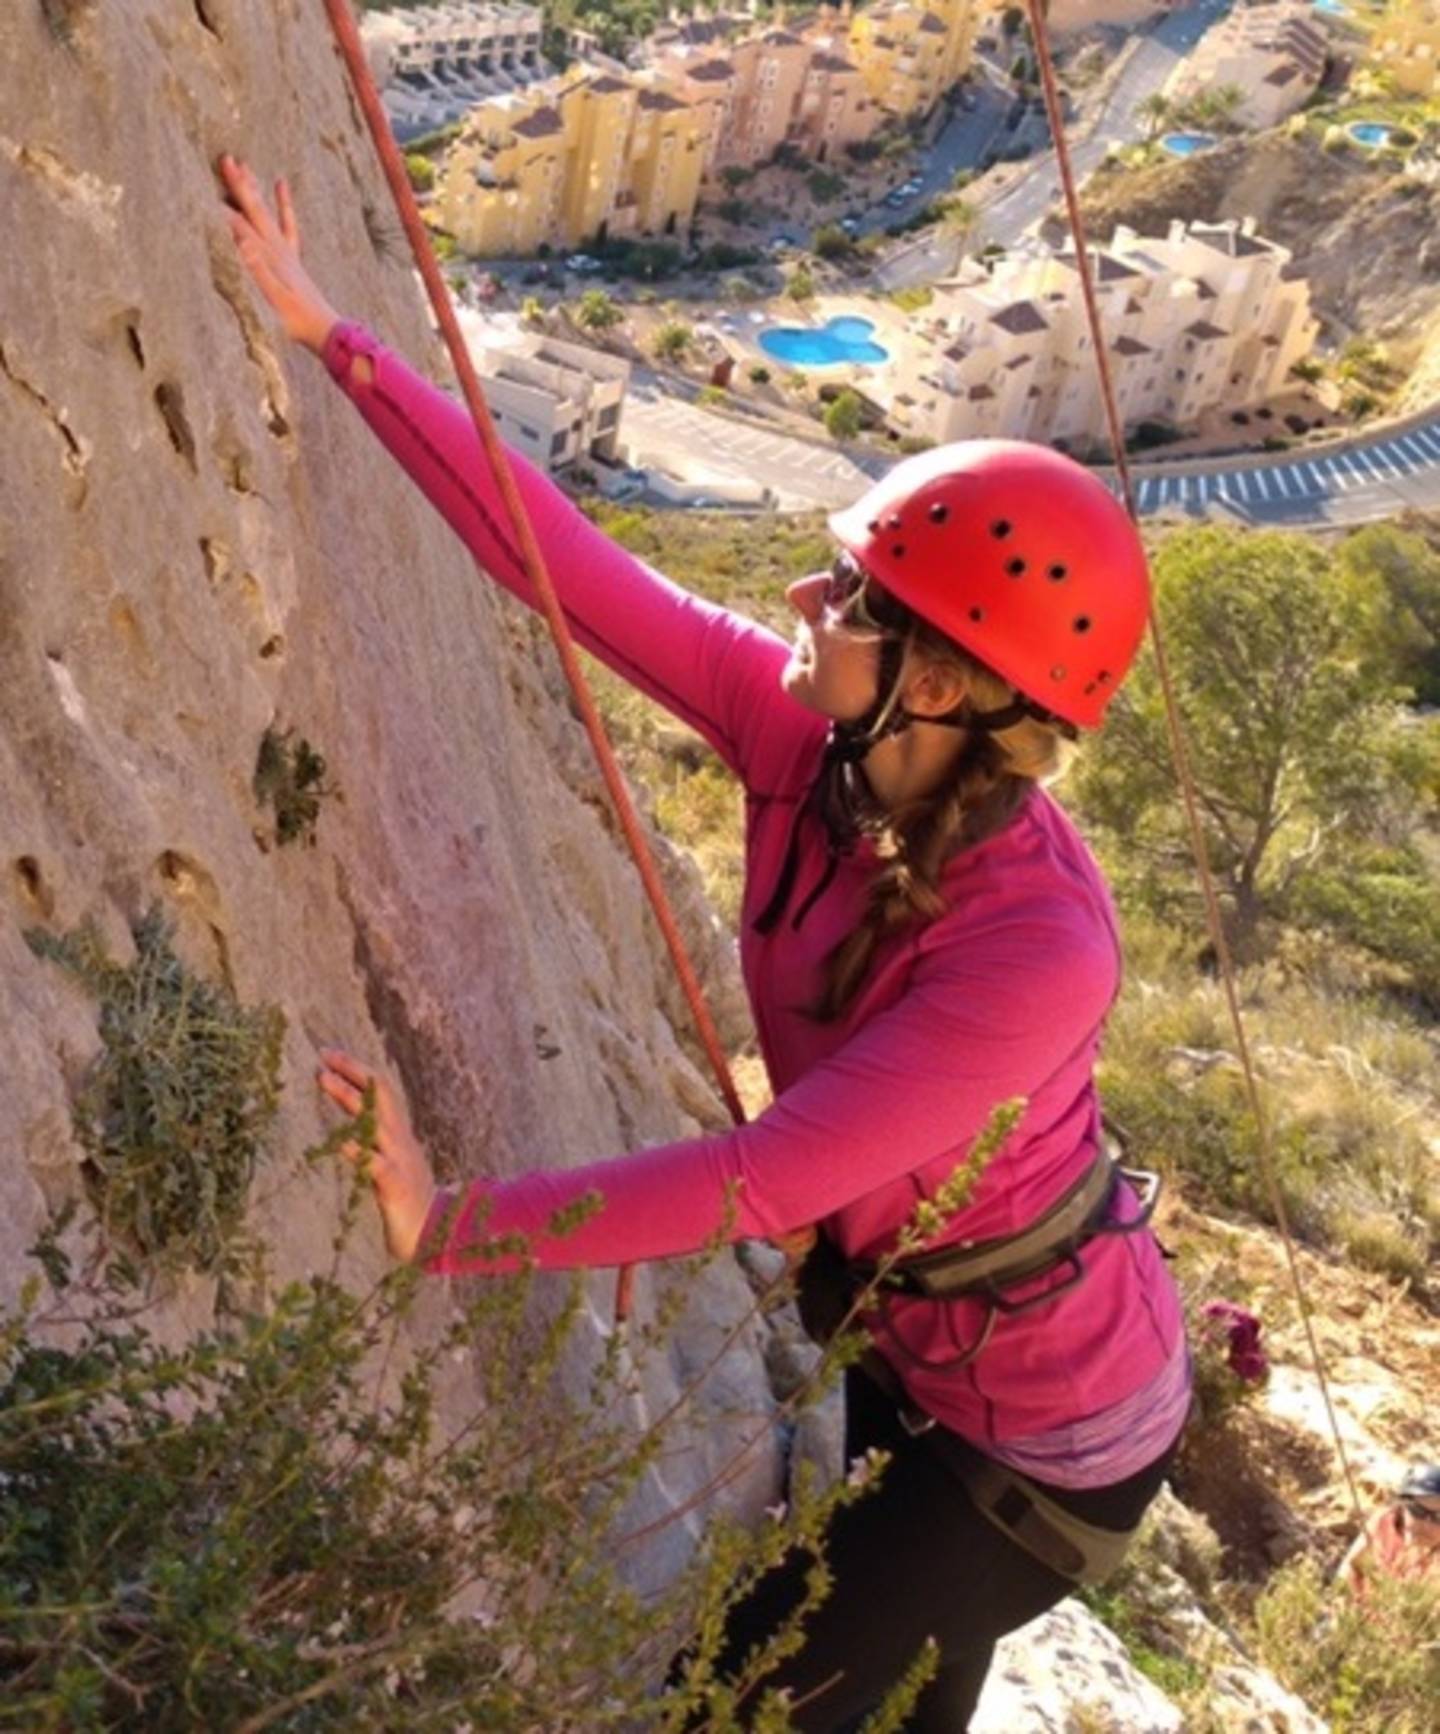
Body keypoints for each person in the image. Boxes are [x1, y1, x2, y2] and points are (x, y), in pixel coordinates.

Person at [221, 155, 1190, 1729]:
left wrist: (441, 1223)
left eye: (856, 590)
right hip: (922, 1340)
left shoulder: (1038, 952)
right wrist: (336, 334)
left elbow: (761, 1182)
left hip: (1046, 1440)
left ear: (937, 688)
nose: (807, 592)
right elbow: (561, 568)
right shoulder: (804, 735)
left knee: (734, 1702)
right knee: (887, 1688)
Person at [1338, 1464, 1440, 1597]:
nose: (1426, 1525)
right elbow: (1352, 1566)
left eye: (1438, 1517)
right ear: (1402, 1505)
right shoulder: (1385, 1522)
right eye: (1417, 1511)